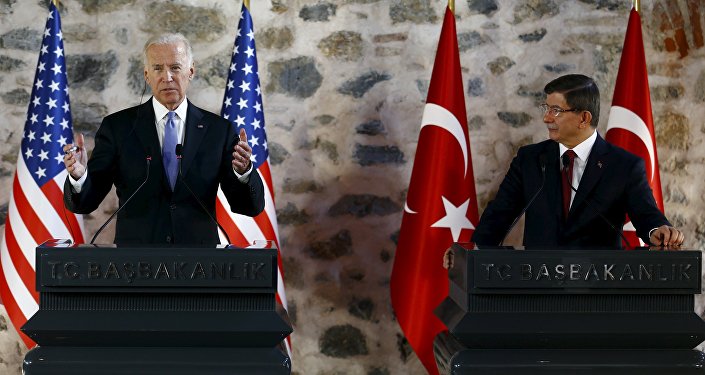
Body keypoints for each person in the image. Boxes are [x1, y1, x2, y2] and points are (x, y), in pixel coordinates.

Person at [62, 33, 264, 245]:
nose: (167, 77)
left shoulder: (219, 131)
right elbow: (85, 203)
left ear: (191, 71)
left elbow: (249, 207)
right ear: (147, 75)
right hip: (136, 263)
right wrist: (79, 177)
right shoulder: (118, 128)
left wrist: (243, 173)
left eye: (175, 67)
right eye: (158, 68)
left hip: (200, 263)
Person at [471, 74, 684, 249]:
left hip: (598, 286)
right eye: (546, 108)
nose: (547, 118)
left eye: (556, 111)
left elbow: (646, 214)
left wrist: (658, 231)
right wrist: (469, 252)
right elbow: (499, 214)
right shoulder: (530, 159)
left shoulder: (624, 165)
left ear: (584, 118)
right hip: (539, 286)